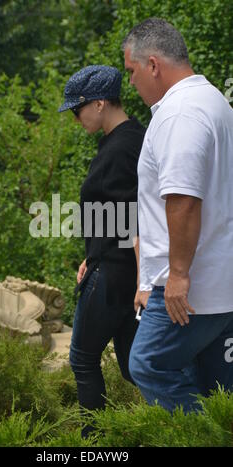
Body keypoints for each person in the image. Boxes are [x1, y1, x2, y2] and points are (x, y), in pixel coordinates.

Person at [122, 17, 233, 413]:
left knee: (149, 364)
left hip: (190, 288)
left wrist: (178, 275)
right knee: (213, 385)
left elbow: (183, 198)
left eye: (132, 72)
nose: (131, 84)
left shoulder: (178, 113)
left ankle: (194, 439)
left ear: (153, 65)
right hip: (220, 282)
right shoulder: (214, 101)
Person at [58, 65, 145, 437]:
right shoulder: (124, 139)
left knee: (82, 359)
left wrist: (145, 284)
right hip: (111, 265)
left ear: (98, 103)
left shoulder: (124, 146)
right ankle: (170, 430)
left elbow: (140, 220)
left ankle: (94, 443)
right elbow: (115, 213)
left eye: (77, 110)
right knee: (132, 366)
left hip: (116, 274)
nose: (75, 117)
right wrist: (90, 253)